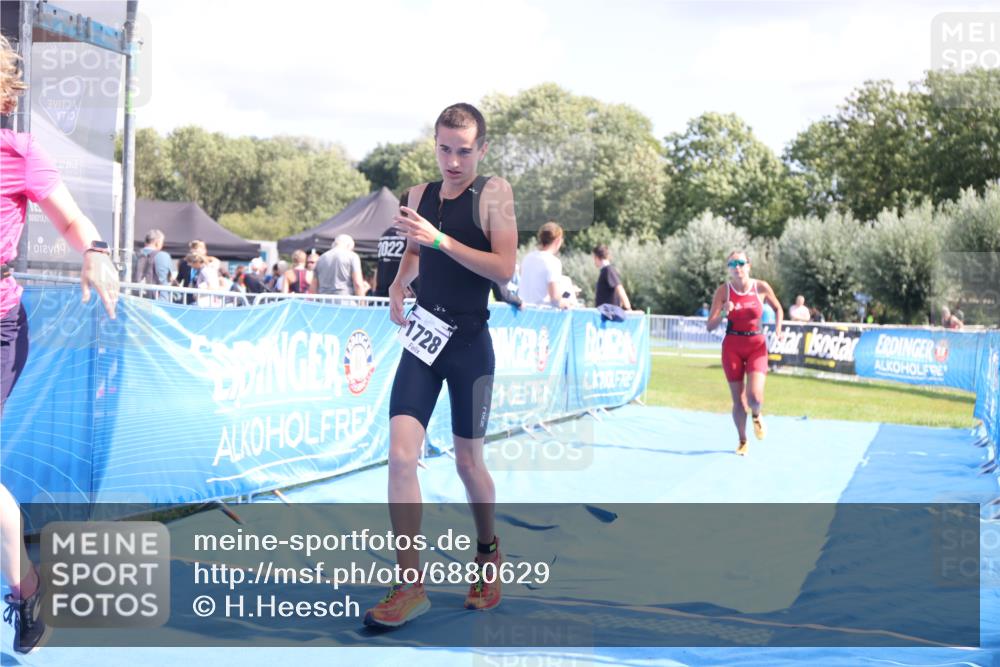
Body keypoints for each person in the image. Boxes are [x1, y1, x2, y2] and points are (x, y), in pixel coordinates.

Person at [366, 103, 517, 629]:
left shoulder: (494, 193)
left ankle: (488, 552)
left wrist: (441, 240)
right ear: (434, 145)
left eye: (464, 152)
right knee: (400, 457)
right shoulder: (418, 196)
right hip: (424, 341)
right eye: (444, 149)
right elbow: (415, 253)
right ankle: (410, 584)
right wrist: (398, 283)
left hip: (470, 344)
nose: (453, 162)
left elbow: (504, 268)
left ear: (483, 150)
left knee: (468, 464)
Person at [1, 35, 119, 654]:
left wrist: (94, 251)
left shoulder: (19, 153)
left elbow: (73, 220)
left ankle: (25, 589)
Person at [706, 250, 783, 456]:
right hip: (732, 346)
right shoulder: (724, 291)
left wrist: (778, 328)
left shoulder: (761, 287)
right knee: (739, 401)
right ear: (729, 269)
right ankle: (742, 440)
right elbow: (710, 326)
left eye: (741, 263)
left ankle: (757, 415)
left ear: (749, 266)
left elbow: (778, 308)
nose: (737, 267)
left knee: (754, 397)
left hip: (756, 345)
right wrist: (724, 312)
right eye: (732, 264)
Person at [518, 222, 568, 309]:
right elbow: (555, 298)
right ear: (558, 240)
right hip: (541, 313)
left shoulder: (527, 258)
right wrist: (566, 302)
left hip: (523, 311)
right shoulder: (553, 262)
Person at [591, 244, 632, 310]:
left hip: (609, 313)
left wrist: (628, 308)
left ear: (597, 257)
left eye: (594, 258)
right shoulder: (605, 270)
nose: (594, 261)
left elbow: (619, 288)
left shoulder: (608, 270)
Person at [134, 229, 172, 300]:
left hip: (135, 299)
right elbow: (168, 278)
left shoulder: (134, 255)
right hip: (158, 300)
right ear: (158, 243)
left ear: (145, 241)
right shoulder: (163, 256)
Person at [175, 239, 206, 304]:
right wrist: (173, 283)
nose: (194, 250)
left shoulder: (209, 264)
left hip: (203, 298)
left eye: (196, 248)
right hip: (187, 297)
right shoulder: (184, 263)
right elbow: (179, 279)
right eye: (192, 248)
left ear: (204, 250)